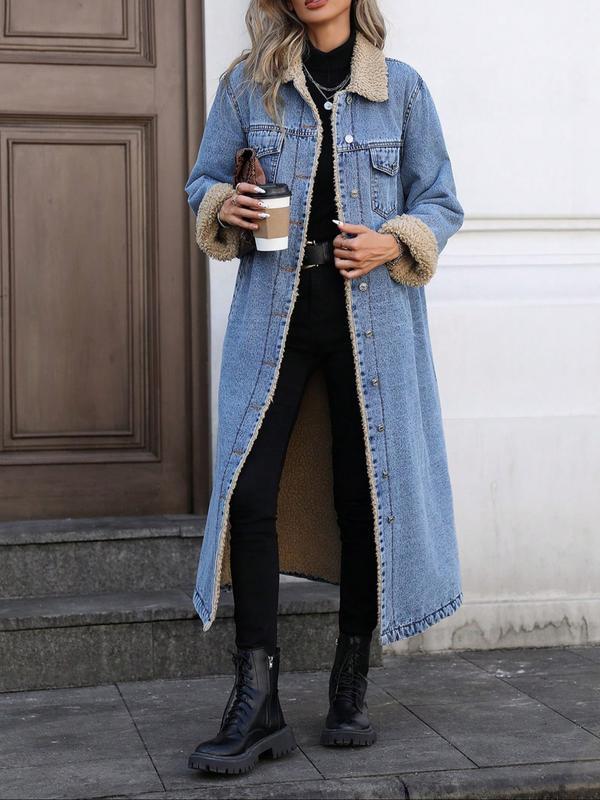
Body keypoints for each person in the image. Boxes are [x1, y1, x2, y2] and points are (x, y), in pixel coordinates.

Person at [184, 0, 465, 776]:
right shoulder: (248, 87)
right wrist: (228, 205)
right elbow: (203, 182)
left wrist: (393, 241)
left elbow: (440, 201)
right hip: (275, 314)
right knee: (249, 490)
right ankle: (257, 699)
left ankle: (350, 680)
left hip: (371, 320)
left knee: (363, 494)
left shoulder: (401, 90)